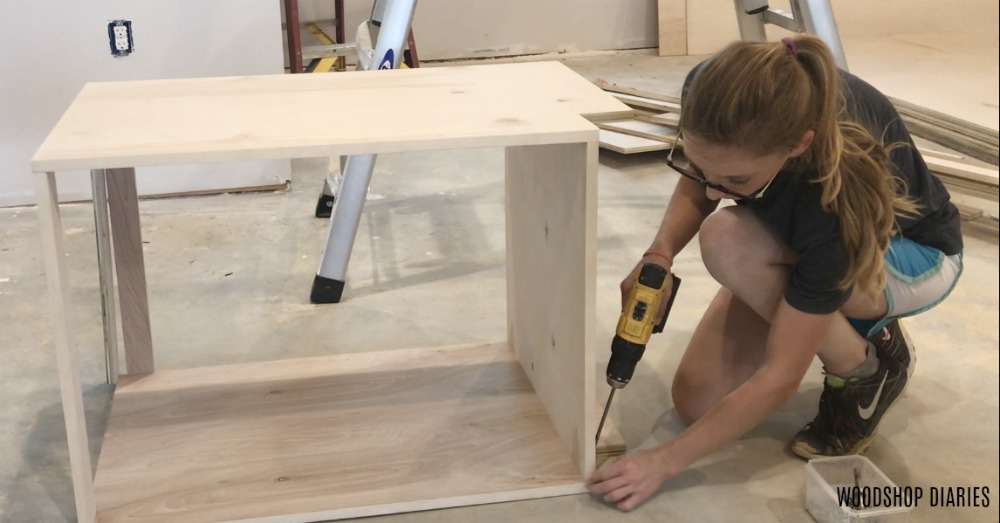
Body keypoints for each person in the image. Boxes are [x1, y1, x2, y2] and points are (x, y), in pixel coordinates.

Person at [586, 34, 964, 511]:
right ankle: (833, 318)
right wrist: (659, 252)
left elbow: (781, 375)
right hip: (801, 239)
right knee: (697, 404)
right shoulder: (715, 90)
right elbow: (708, 172)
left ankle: (866, 369)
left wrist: (664, 461)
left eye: (737, 181)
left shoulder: (828, 200)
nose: (718, 191)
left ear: (798, 145)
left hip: (912, 255)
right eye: (704, 167)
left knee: (726, 238)